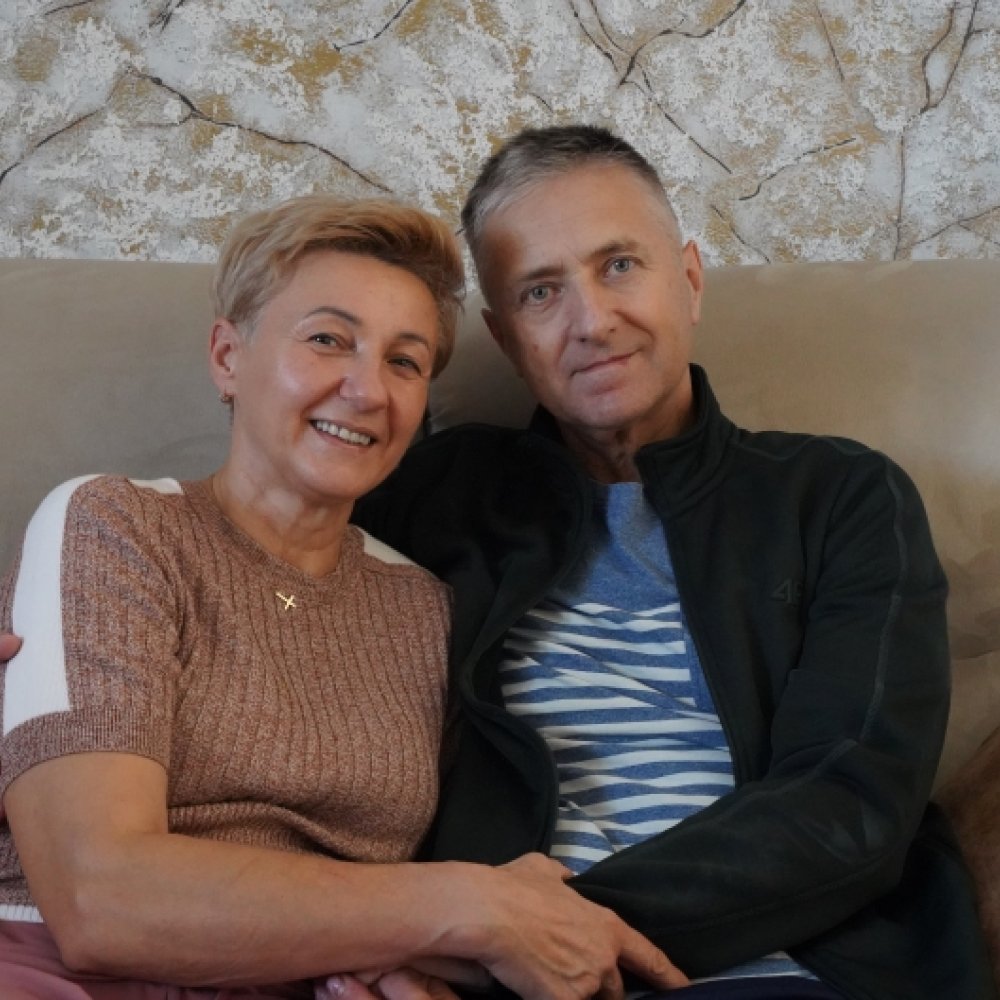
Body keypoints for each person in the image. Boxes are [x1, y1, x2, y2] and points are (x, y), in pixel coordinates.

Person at [348, 126, 996, 999]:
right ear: (504, 338)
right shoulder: (430, 498)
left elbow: (851, 800)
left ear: (689, 280)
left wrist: (510, 934)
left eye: (619, 265)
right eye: (541, 291)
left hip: (791, 968)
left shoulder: (839, 496)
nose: (592, 321)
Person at [0, 194, 686, 999]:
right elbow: (101, 899)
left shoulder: (426, 609)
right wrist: (464, 907)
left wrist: (413, 947)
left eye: (405, 362)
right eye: (328, 339)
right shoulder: (117, 525)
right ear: (228, 357)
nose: (367, 391)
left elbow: (424, 894)